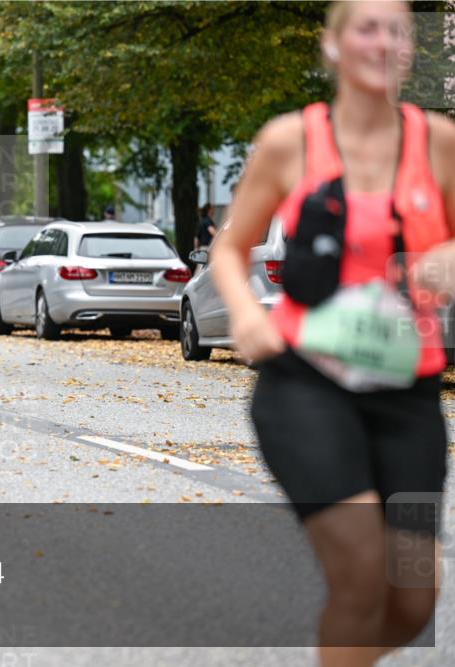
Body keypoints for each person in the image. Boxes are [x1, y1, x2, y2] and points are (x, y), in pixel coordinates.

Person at [209, 2, 455, 664]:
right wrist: (248, 313)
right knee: (361, 569)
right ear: (333, 47)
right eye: (365, 28)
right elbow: (229, 250)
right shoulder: (292, 140)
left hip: (407, 391)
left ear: (411, 48)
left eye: (396, 30)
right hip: (305, 382)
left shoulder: (439, 142)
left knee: (413, 597)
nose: (382, 42)